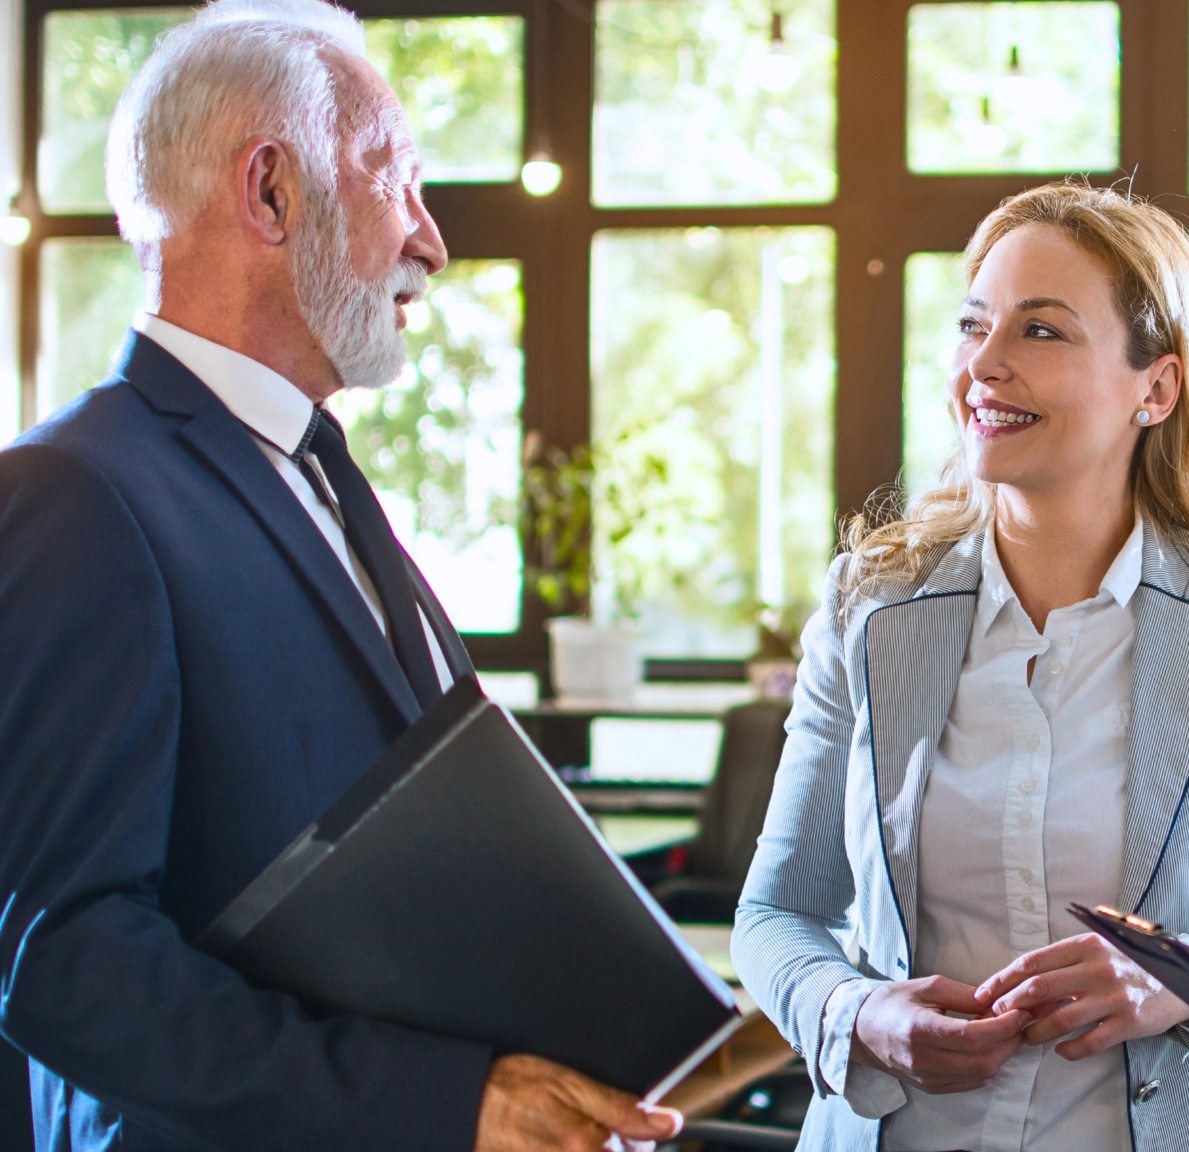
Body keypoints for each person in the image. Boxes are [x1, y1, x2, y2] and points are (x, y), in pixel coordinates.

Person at [0, 2, 683, 1149]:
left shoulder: (322, 477)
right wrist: (443, 1103)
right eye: (396, 179)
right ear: (271, 190)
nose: (431, 239)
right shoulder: (76, 494)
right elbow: (64, 960)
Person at [731, 182, 1189, 1151]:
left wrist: (1180, 974)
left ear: (1154, 388)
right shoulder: (866, 609)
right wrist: (857, 1016)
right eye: (971, 326)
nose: (983, 365)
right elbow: (777, 914)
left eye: (1039, 331)